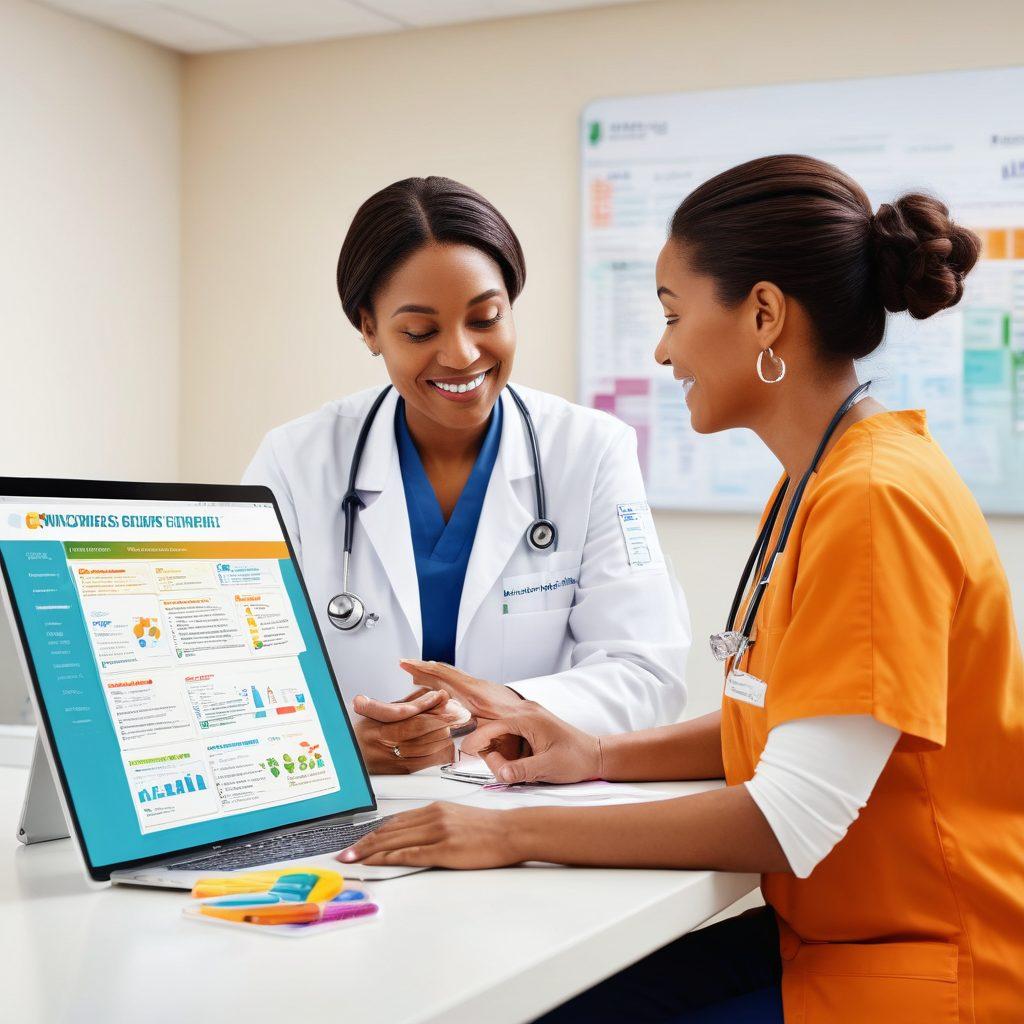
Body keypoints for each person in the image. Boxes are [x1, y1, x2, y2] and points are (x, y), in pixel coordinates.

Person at [340, 156, 1024, 1023]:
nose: (663, 349)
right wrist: (594, 756)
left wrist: (504, 832)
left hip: (921, 966)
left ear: (764, 314)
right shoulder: (819, 483)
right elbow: (786, 719)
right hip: (829, 932)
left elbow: (790, 816)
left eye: (673, 314)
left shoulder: (874, 499)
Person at [243, 176, 690, 774]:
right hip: (354, 807)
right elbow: (237, 671)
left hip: (527, 801)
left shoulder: (591, 451)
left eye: (486, 317)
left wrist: (505, 710)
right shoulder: (295, 462)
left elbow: (645, 673)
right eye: (420, 331)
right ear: (368, 329)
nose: (460, 354)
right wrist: (341, 742)